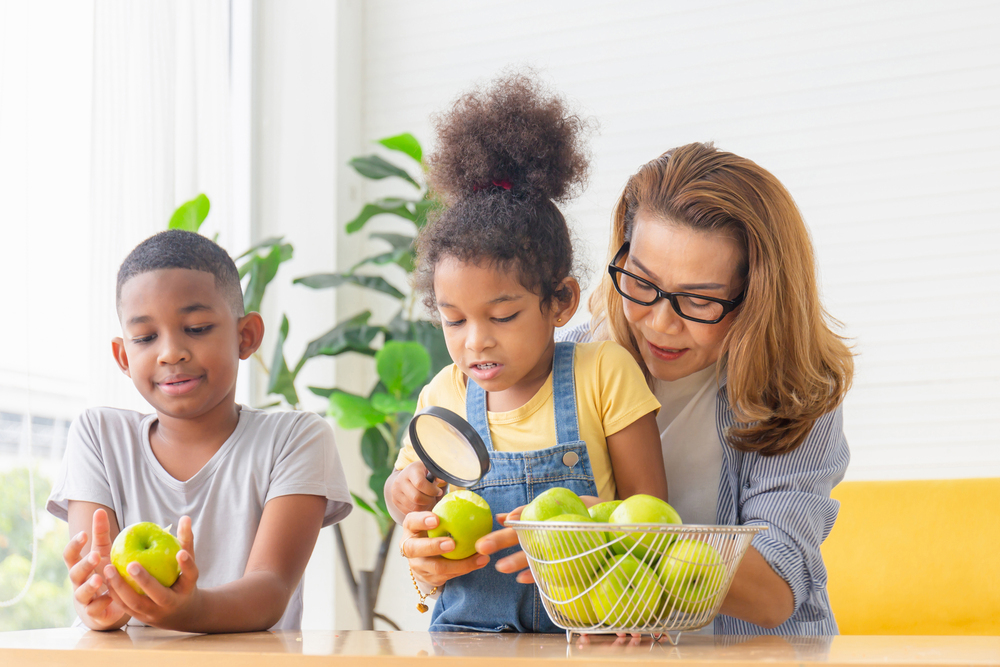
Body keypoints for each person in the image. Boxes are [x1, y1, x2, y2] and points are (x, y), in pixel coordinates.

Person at [482, 142, 854, 635]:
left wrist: (616, 532)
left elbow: (774, 592)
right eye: (641, 282)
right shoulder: (565, 364)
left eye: (699, 301)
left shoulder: (793, 395)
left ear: (758, 301)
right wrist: (434, 562)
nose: (659, 323)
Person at [385, 73, 669, 633]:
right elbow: (408, 506)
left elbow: (651, 521)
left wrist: (564, 530)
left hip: (590, 634)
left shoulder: (603, 374)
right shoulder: (444, 395)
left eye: (503, 315)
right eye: (454, 318)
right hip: (465, 639)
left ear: (559, 301)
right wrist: (405, 495)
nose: (475, 341)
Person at [46, 230, 353, 633]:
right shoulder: (100, 436)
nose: (171, 351)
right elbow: (101, 588)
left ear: (246, 336)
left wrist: (188, 611)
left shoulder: (296, 438)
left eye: (197, 328)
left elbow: (271, 587)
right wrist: (102, 605)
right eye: (145, 337)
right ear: (123, 355)